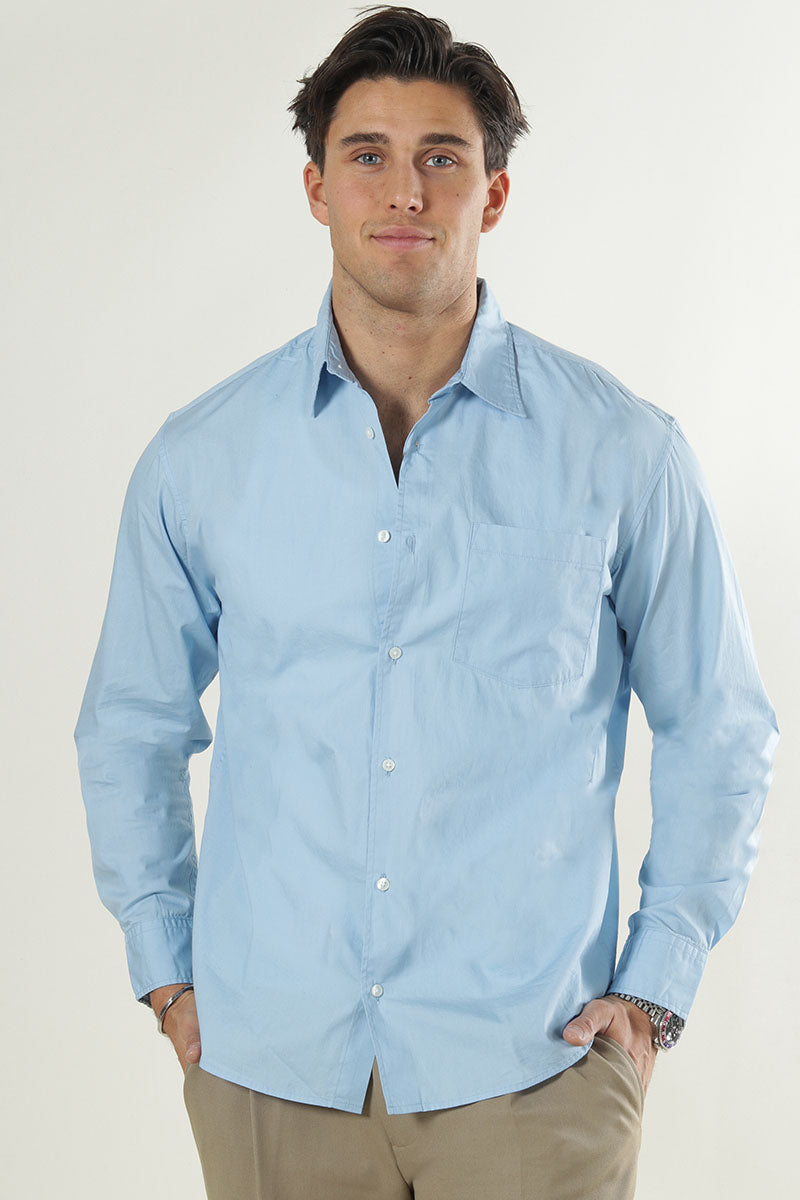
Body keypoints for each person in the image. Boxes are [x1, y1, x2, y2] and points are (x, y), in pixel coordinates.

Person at [73, 6, 780, 1199]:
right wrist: (166, 970)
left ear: (491, 195)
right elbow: (129, 724)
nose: (403, 190)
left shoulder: (622, 451)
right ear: (316, 188)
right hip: (268, 1071)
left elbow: (719, 725)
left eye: (440, 158)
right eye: (368, 155)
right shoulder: (201, 459)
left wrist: (654, 989)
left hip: (534, 1069)